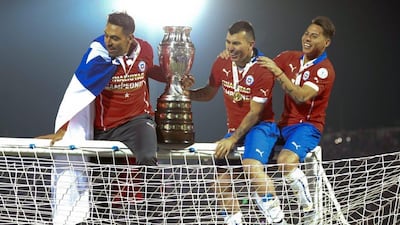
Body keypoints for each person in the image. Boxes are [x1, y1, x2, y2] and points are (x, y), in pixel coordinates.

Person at [37, 12, 194, 224]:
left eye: (115, 38)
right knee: (101, 192)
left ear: (130, 38)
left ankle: (156, 217)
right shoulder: (97, 56)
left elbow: (148, 69)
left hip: (137, 121)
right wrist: (65, 128)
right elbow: (78, 92)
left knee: (148, 157)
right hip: (105, 128)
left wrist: (173, 76)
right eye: (107, 35)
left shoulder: (145, 49)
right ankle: (100, 219)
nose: (108, 41)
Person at [186, 21, 286, 225]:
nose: (230, 48)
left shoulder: (263, 70)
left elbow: (255, 113)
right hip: (235, 131)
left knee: (251, 167)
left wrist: (231, 139)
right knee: (218, 186)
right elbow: (208, 93)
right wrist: (185, 94)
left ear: (251, 44)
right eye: (228, 42)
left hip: (261, 128)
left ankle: (278, 221)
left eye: (236, 43)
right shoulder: (221, 63)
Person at [257, 16, 336, 225]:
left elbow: (301, 95)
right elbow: (260, 69)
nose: (308, 38)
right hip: (284, 124)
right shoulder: (289, 58)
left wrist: (279, 73)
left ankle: (309, 209)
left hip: (307, 127)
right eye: (307, 33)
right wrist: (239, 54)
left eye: (315, 36)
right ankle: (271, 214)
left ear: (326, 42)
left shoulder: (324, 69)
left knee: (284, 162)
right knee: (252, 155)